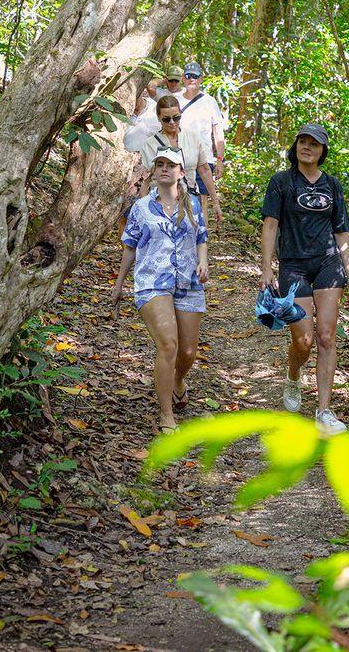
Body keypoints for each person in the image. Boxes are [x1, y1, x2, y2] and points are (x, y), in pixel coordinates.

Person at [260, 124, 349, 433]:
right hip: (294, 265)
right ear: (296, 146)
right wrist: (267, 267)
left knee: (327, 336)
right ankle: (293, 376)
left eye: (314, 144)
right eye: (302, 141)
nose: (307, 147)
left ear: (322, 151)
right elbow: (270, 225)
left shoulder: (332, 185)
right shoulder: (281, 182)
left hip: (329, 264)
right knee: (303, 341)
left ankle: (324, 412)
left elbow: (342, 232)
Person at [111, 147, 208, 432]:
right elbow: (129, 247)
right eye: (160, 164)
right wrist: (119, 284)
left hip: (189, 282)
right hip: (152, 283)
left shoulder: (192, 204)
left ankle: (178, 380)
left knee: (188, 352)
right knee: (168, 344)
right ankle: (167, 415)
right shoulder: (141, 208)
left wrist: (203, 262)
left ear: (180, 172)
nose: (165, 168)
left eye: (171, 165)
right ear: (154, 171)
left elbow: (201, 237)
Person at [139, 95, 223, 225]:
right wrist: (143, 210)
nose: (172, 122)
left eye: (176, 117)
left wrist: (215, 202)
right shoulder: (150, 144)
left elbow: (205, 170)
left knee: (195, 241)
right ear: (159, 118)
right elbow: (145, 180)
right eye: (167, 119)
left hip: (189, 200)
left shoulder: (193, 137)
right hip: (160, 204)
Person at [177, 62, 225, 224]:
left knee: (201, 199)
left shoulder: (210, 102)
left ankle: (200, 239)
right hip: (179, 157)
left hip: (203, 159)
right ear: (183, 78)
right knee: (178, 198)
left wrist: (220, 159)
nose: (192, 80)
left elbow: (218, 132)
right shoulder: (175, 100)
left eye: (195, 76)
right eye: (188, 76)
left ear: (201, 79)